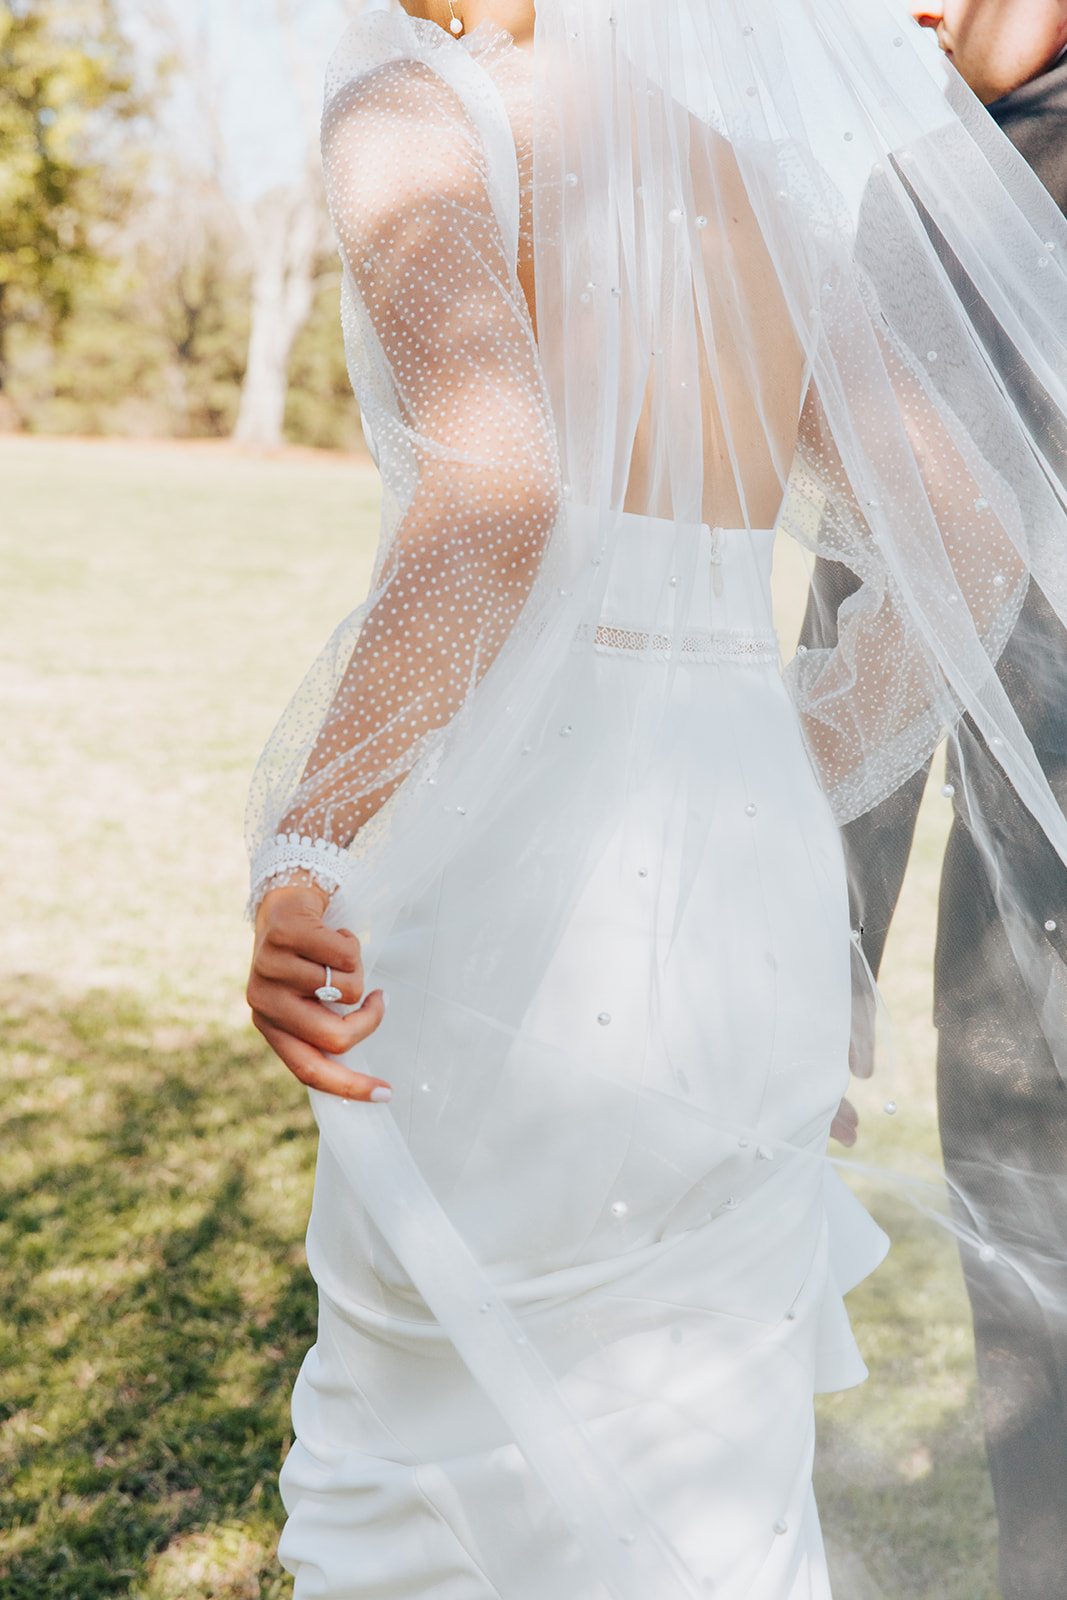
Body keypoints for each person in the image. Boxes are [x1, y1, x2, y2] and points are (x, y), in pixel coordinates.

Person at [245, 1, 1067, 1594]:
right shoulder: (748, 165)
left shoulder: (416, 107)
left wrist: (308, 836)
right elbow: (967, 535)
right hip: (743, 880)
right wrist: (786, 767)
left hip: (524, 871)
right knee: (712, 1485)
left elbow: (497, 495)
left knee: (430, 1463)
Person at [800, 6, 1067, 1595]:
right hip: (1017, 940)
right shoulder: (915, 189)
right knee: (1034, 1347)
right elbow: (871, 594)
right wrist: (817, 952)